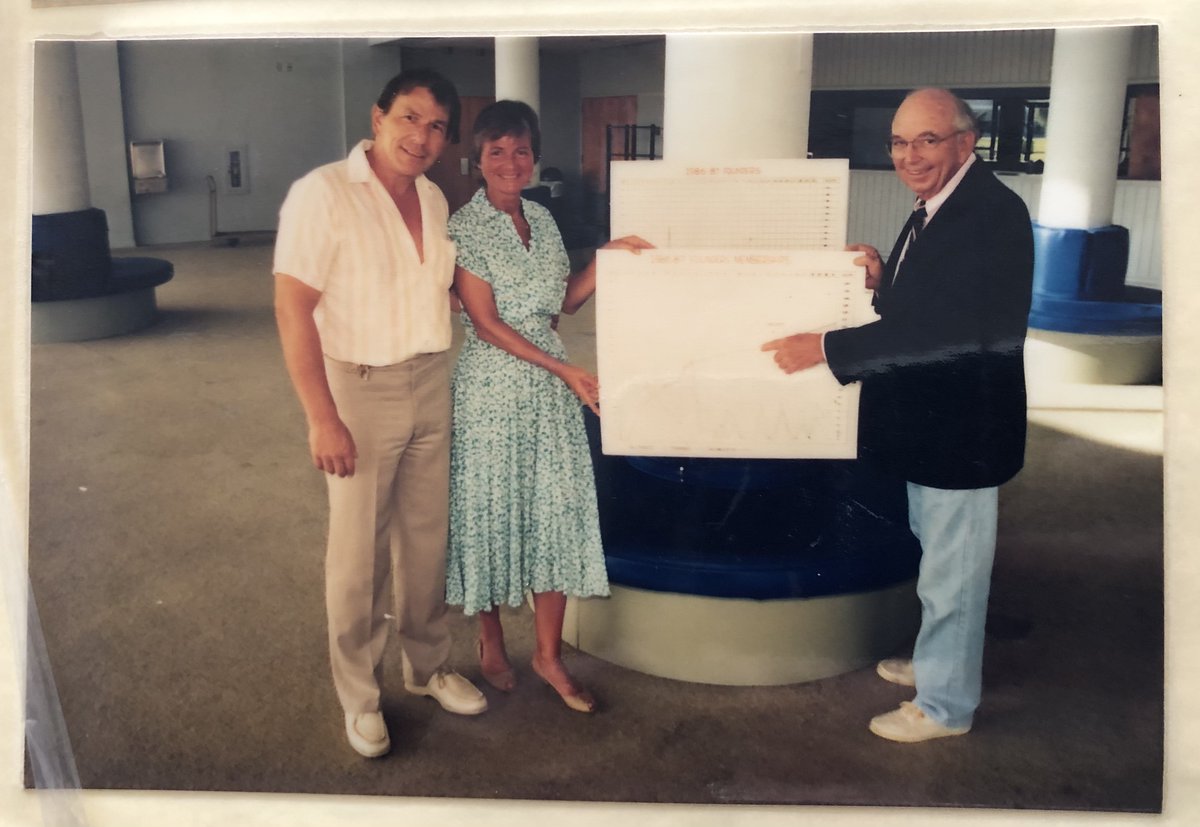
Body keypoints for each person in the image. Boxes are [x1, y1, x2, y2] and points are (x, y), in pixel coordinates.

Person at [763, 88, 1034, 743]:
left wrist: (826, 347)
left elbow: (943, 333)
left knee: (954, 572)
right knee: (940, 562)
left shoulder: (988, 213)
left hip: (962, 432)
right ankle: (940, 660)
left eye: (928, 140)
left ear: (966, 143)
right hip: (931, 426)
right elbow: (922, 311)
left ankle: (945, 705)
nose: (910, 155)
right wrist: (882, 279)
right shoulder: (938, 207)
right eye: (899, 142)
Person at [273, 68, 487, 759]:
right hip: (359, 389)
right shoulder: (323, 194)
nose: (420, 136)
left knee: (427, 543)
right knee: (358, 555)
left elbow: (431, 290)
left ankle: (426, 667)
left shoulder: (432, 198)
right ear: (377, 117)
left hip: (431, 380)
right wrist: (321, 416)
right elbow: (292, 305)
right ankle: (360, 696)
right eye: (409, 118)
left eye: (436, 127)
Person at [446, 100, 651, 713]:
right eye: (497, 152)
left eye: (521, 150)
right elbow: (484, 324)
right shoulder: (465, 227)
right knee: (488, 513)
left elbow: (562, 304)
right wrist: (566, 369)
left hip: (549, 393)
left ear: (535, 156)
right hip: (492, 391)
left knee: (555, 517)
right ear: (479, 160)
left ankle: (548, 654)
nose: (511, 162)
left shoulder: (543, 217)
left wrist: (608, 258)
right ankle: (488, 637)